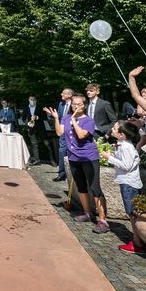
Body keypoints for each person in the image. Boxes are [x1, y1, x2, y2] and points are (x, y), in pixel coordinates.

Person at [45, 94, 109, 233]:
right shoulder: (66, 117)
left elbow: (81, 135)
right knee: (81, 187)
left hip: (89, 158)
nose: (76, 106)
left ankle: (103, 220)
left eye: (79, 104)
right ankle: (87, 213)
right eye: (74, 104)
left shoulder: (88, 121)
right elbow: (59, 132)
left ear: (84, 106)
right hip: (74, 158)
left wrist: (74, 121)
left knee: (95, 188)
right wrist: (56, 118)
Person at [101, 121, 146, 253]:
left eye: (115, 129)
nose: (112, 130)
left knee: (132, 213)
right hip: (127, 181)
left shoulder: (126, 147)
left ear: (122, 135)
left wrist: (110, 158)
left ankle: (138, 243)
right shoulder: (123, 145)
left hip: (128, 183)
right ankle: (139, 240)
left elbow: (126, 166)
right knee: (132, 213)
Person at [53, 89, 74, 182]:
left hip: (73, 132)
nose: (61, 94)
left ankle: (73, 174)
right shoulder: (61, 104)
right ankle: (61, 174)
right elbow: (60, 117)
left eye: (63, 93)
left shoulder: (76, 104)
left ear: (69, 94)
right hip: (63, 132)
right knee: (62, 151)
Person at [21, 95, 48, 165]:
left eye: (33, 99)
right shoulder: (26, 108)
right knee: (34, 144)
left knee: (46, 143)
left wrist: (37, 117)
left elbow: (45, 117)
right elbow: (23, 118)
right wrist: (27, 123)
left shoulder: (40, 107)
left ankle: (51, 159)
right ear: (28, 100)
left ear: (36, 100)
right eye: (30, 99)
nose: (32, 101)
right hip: (31, 129)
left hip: (40, 128)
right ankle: (37, 159)